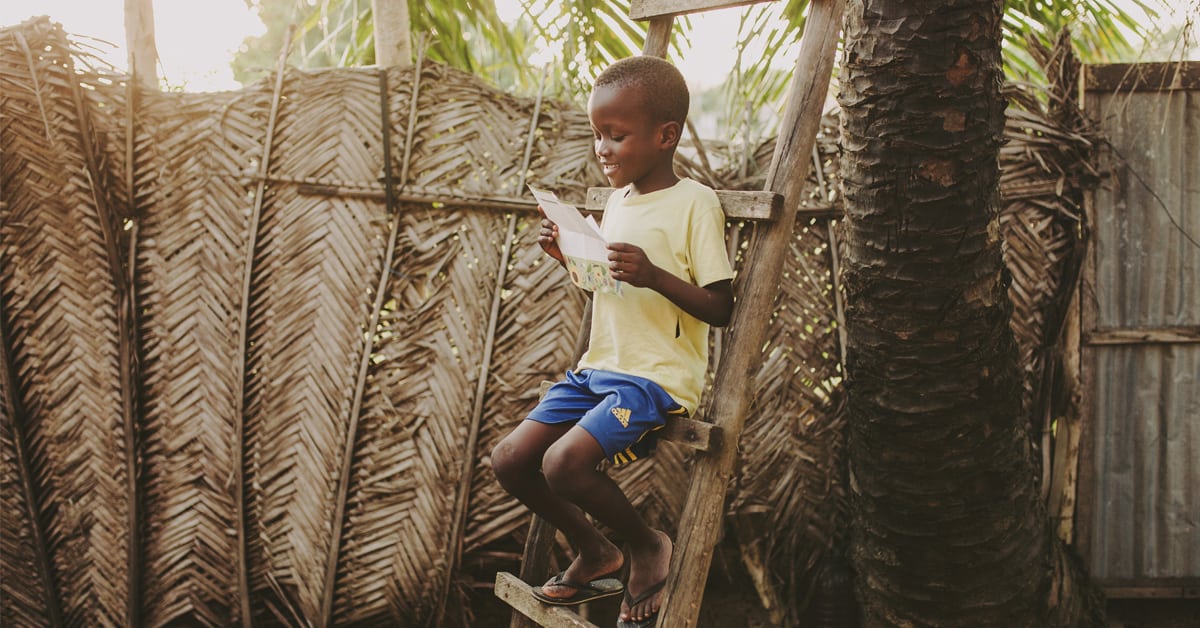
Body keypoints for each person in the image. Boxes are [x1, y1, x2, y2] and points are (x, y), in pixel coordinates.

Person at [490, 55, 734, 627]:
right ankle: (598, 550)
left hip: (654, 378)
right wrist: (572, 260)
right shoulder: (618, 202)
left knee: (564, 465)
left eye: (615, 135)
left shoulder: (695, 203)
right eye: (597, 134)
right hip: (600, 366)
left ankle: (647, 545)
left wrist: (654, 274)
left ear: (665, 135)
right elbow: (612, 290)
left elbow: (721, 307)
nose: (602, 147)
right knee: (510, 461)